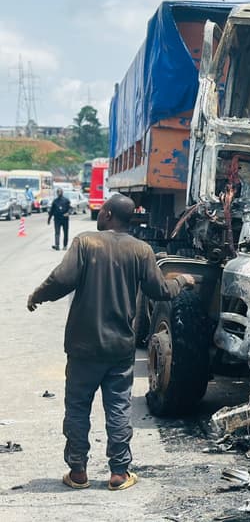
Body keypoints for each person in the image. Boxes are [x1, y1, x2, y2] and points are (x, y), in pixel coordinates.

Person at [27, 193, 195, 491]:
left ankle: (77, 472)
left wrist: (37, 296)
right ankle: (119, 473)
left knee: (77, 407)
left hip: (82, 345)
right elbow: (160, 291)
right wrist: (183, 280)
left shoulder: (85, 242)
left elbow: (61, 280)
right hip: (119, 347)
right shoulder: (141, 250)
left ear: (106, 215)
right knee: (118, 407)